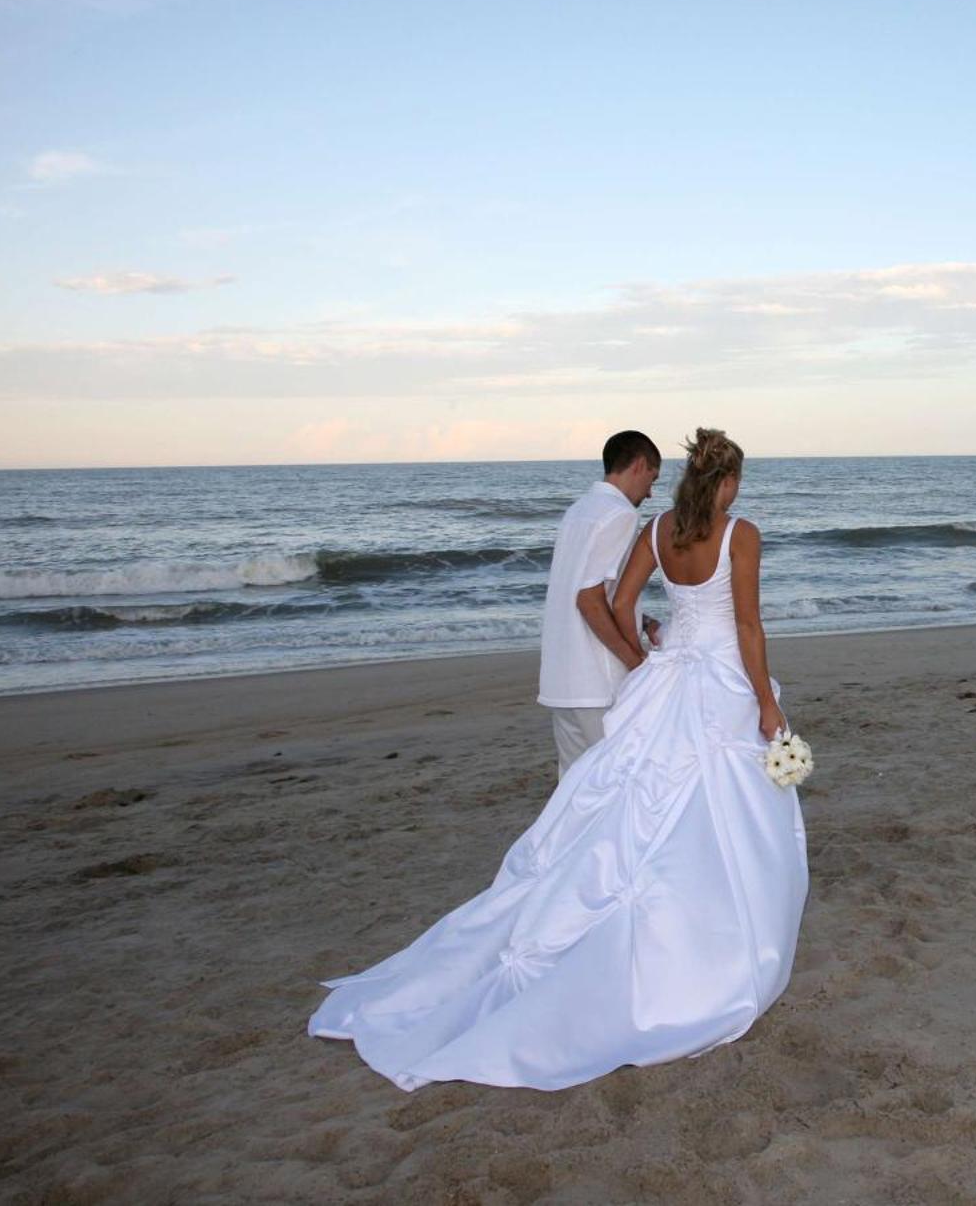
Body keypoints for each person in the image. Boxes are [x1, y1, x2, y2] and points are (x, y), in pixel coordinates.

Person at [308, 428, 809, 1093]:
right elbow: (748, 626)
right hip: (717, 683)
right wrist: (765, 704)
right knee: (712, 812)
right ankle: (711, 942)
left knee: (626, 806)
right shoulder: (740, 532)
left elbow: (623, 603)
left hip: (666, 681)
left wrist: (650, 654)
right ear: (728, 481)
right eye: (736, 479)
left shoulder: (657, 529)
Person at [537, 430, 661, 780]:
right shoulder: (620, 513)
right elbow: (588, 600)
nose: (650, 492)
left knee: (573, 793)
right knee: (616, 786)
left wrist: (644, 621)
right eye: (652, 478)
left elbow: (582, 589)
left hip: (561, 679)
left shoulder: (578, 511)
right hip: (597, 679)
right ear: (639, 465)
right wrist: (636, 661)